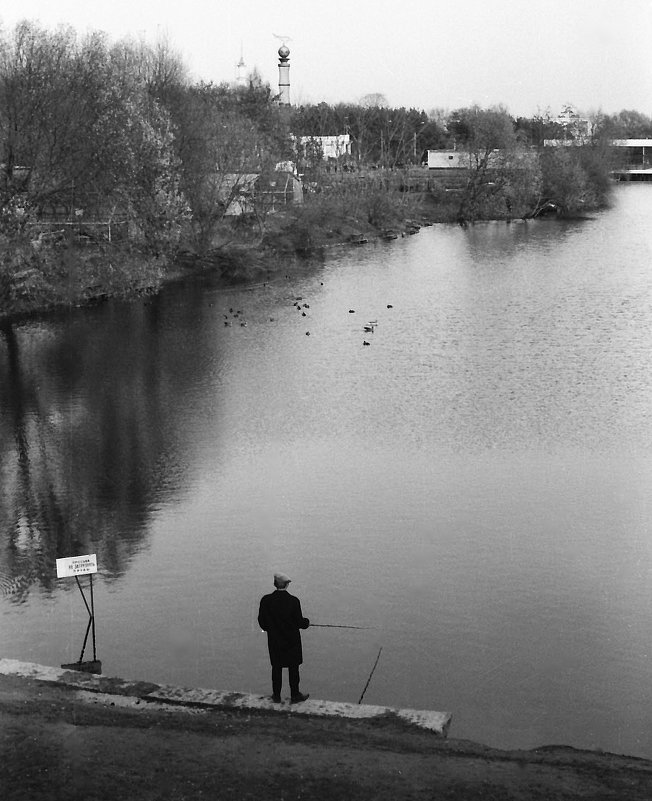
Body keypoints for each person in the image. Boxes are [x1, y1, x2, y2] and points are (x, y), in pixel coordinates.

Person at [258, 572, 310, 703]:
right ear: (287, 585)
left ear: (275, 584)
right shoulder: (293, 601)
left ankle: (276, 695)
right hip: (292, 641)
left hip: (274, 641)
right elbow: (300, 623)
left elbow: (261, 621)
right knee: (293, 668)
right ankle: (295, 695)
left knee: (276, 667)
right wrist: (306, 623)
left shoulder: (266, 600)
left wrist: (269, 629)